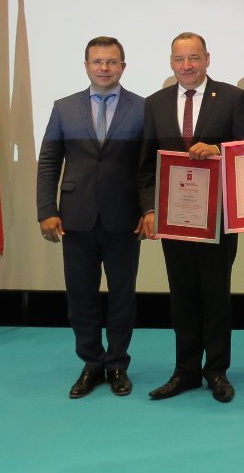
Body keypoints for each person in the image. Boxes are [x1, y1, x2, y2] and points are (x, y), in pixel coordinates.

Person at [138, 32, 244, 404]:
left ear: (207, 59)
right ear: (171, 62)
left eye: (193, 58)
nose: (186, 66)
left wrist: (217, 149)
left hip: (217, 218)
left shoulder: (232, 98)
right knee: (182, 296)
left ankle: (217, 371)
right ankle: (185, 371)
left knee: (216, 295)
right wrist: (149, 209)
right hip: (174, 218)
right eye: (179, 59)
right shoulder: (155, 103)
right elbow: (145, 165)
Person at [36, 36, 145, 399]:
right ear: (86, 66)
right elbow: (49, 162)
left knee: (122, 297)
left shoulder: (142, 108)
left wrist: (149, 210)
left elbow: (149, 167)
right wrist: (46, 210)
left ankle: (117, 365)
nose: (104, 68)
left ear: (122, 67)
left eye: (111, 62)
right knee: (80, 297)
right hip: (76, 218)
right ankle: (92, 364)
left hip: (124, 219)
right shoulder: (64, 108)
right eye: (97, 61)